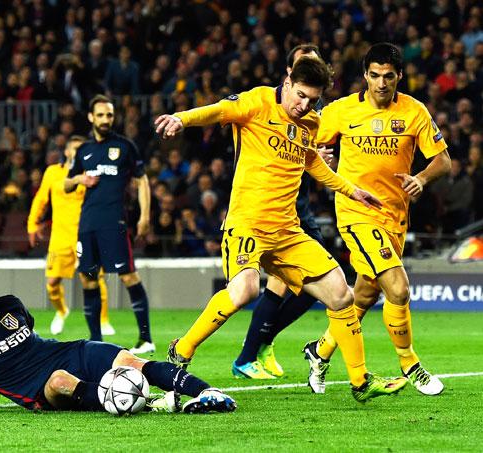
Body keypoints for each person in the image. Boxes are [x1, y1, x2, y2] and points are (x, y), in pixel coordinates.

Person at [154, 56, 407, 402]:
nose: (304, 105)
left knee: (341, 294)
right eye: (300, 95)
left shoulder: (310, 123)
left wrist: (351, 189)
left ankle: (360, 381)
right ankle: (182, 349)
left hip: (287, 231)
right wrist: (181, 119)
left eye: (312, 100)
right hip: (248, 224)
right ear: (287, 83)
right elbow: (215, 111)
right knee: (244, 291)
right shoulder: (257, 102)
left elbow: (312, 162)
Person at [0, 272, 236, 414]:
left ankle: (209, 393)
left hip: (65, 351)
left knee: (128, 360)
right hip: (39, 387)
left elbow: (34, 338)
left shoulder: (9, 308)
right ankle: (153, 405)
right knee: (61, 384)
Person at [304, 43, 451, 396]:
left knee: (365, 295)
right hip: (356, 213)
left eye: (388, 76)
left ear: (399, 76)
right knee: (398, 288)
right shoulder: (340, 111)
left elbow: (443, 161)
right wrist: (318, 152)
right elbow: (306, 144)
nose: (381, 83)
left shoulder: (414, 111)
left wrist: (422, 178)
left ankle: (319, 352)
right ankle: (410, 363)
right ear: (365, 75)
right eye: (374, 75)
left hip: (395, 216)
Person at [232, 44, 334, 380]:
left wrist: (320, 161)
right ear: (289, 75)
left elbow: (309, 156)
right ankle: (250, 353)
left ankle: (260, 343)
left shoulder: (310, 115)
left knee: (310, 287)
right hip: (270, 210)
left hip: (300, 204)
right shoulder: (267, 105)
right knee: (280, 284)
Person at [64, 95, 154, 355]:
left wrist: (144, 216)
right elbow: (66, 184)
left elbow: (142, 181)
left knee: (128, 276)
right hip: (87, 224)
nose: (106, 120)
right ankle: (97, 340)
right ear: (91, 117)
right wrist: (80, 178)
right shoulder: (83, 151)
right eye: (101, 115)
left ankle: (146, 338)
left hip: (114, 222)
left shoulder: (125, 147)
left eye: (110, 115)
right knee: (88, 279)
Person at [27, 136, 116, 336]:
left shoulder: (93, 174)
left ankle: (103, 320)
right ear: (66, 152)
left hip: (86, 235)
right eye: (75, 149)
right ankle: (61, 311)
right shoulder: (52, 172)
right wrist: (32, 224)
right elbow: (41, 199)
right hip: (58, 237)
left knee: (94, 277)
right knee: (52, 282)